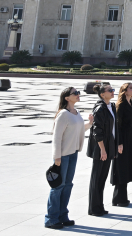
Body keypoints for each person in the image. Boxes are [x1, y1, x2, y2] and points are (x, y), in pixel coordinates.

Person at [45, 87, 93, 230]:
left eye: (78, 93)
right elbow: (56, 136)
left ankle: (62, 216)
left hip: (73, 153)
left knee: (68, 185)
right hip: (63, 155)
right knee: (58, 186)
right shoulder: (63, 114)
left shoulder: (76, 113)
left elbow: (78, 129)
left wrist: (89, 124)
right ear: (67, 98)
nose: (78, 95)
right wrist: (56, 156)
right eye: (75, 93)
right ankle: (51, 219)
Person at [86, 84, 117, 216]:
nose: (112, 92)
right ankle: (94, 208)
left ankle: (99, 206)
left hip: (109, 146)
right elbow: (97, 132)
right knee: (97, 178)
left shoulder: (111, 106)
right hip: (100, 148)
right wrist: (103, 150)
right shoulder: (100, 108)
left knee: (102, 178)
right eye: (110, 90)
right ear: (102, 94)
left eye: (113, 89)